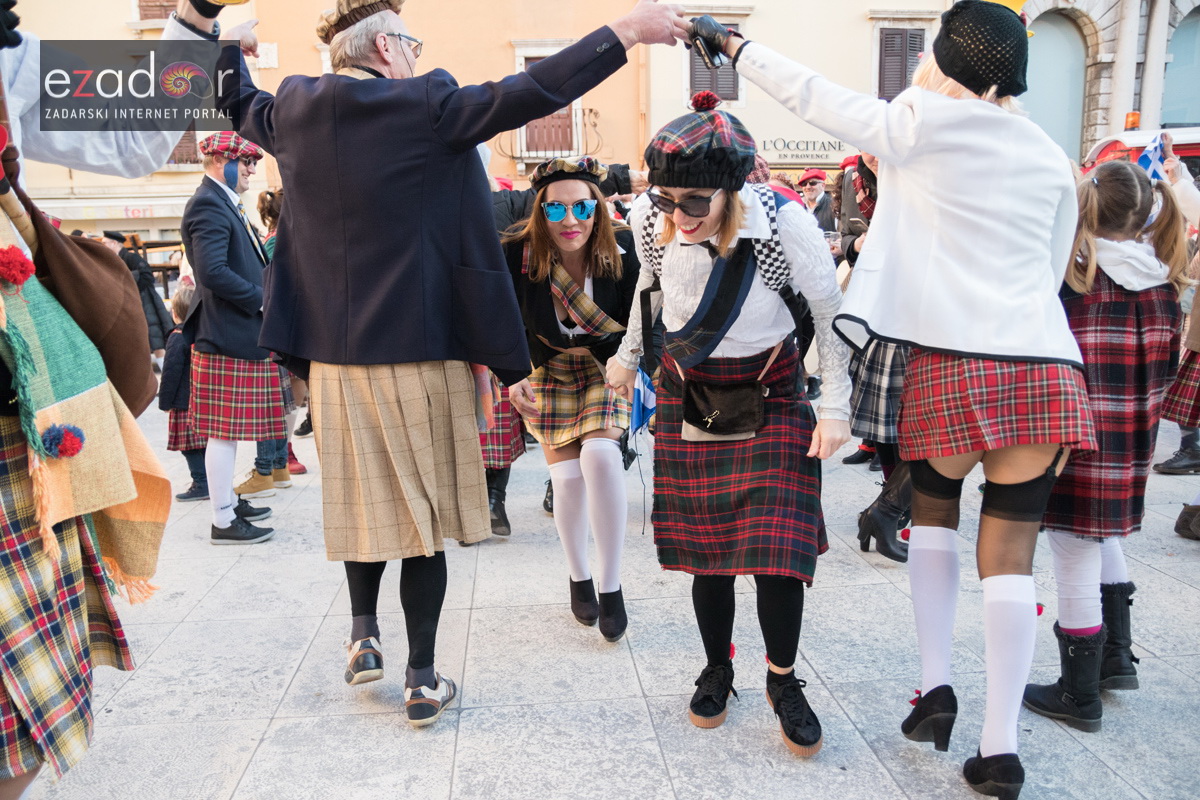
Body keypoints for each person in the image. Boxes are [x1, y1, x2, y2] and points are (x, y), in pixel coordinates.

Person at [214, 0, 689, 727]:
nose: (416, 51)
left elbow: (230, 95)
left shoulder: (295, 109)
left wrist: (213, 35)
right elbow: (531, 91)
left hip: (336, 366)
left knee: (363, 507)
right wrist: (624, 32)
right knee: (423, 524)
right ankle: (421, 678)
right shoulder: (427, 102)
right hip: (421, 351)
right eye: (410, 41)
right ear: (385, 49)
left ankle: (363, 633)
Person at [691, 1, 1095, 794]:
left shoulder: (921, 120)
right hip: (1044, 362)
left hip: (952, 356)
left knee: (935, 517)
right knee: (1013, 558)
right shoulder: (1052, 154)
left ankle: (936, 688)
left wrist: (735, 44)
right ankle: (1000, 745)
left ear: (941, 60)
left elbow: (815, 96)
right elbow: (1053, 272)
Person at [606, 93, 852, 757]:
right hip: (689, 395)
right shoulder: (651, 216)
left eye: (695, 203)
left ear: (732, 190)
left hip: (771, 396)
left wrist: (835, 408)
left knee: (777, 560)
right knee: (707, 557)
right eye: (665, 199)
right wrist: (628, 357)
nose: (677, 215)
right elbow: (648, 293)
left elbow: (830, 315)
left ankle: (782, 680)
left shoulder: (784, 227)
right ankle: (718, 667)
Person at [1023, 160, 1186, 732]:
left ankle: (1079, 693)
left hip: (1076, 441)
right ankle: (1118, 657)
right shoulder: (1166, 287)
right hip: (1134, 440)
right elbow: (1166, 370)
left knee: (1073, 553)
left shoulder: (1076, 286)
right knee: (1105, 535)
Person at [503, 157, 640, 641]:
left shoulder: (623, 248)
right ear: (539, 212)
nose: (570, 221)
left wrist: (641, 364)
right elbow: (493, 313)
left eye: (581, 207)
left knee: (602, 459)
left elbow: (645, 314)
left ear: (598, 208)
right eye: (554, 210)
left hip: (608, 367)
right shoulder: (517, 254)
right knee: (565, 481)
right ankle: (578, 575)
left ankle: (611, 585)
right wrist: (509, 372)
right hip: (548, 370)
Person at [181, 132, 283, 546]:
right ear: (219, 159)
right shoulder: (208, 202)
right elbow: (213, 272)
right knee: (223, 433)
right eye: (244, 162)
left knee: (230, 431)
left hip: (232, 332)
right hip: (227, 334)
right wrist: (263, 303)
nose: (252, 170)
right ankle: (222, 520)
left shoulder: (221, 200)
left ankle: (227, 502)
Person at [160, 285, 210, 502]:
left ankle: (201, 483)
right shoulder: (205, 333)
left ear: (176, 313)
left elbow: (170, 372)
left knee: (189, 448)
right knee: (206, 445)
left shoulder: (177, 337)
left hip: (182, 402)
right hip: (204, 401)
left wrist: (164, 402)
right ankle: (210, 481)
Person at [100, 231, 173, 373]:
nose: (103, 246)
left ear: (114, 243)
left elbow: (147, 277)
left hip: (146, 305)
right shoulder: (118, 259)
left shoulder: (130, 257)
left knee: (156, 343)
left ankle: (167, 376)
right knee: (143, 345)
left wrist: (126, 281)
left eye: (104, 243)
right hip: (136, 305)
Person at [797, 168, 835, 232]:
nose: (808, 187)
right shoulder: (798, 207)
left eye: (812, 183)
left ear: (823, 186)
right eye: (804, 184)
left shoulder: (834, 205)